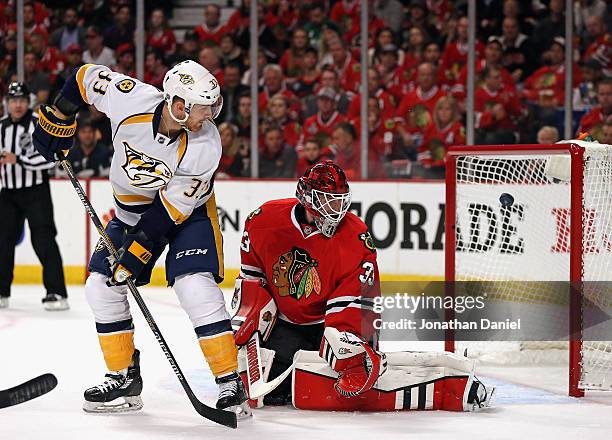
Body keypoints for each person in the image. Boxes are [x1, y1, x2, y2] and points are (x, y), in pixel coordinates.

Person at [32, 60, 248, 415]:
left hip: (187, 216)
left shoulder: (205, 142)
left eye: (213, 106)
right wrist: (62, 114)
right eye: (202, 107)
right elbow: (84, 77)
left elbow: (166, 214)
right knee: (100, 284)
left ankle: (229, 382)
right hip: (131, 215)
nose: (209, 116)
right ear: (178, 104)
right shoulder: (129, 98)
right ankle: (124, 378)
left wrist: (136, 252)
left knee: (194, 284)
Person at [234, 161, 494, 410]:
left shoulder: (355, 236)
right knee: (275, 387)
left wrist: (349, 345)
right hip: (285, 323)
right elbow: (253, 284)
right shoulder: (264, 220)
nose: (336, 209)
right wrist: (246, 322)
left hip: (329, 325)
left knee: (341, 379)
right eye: (328, 200)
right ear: (308, 197)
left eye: (340, 201)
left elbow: (356, 300)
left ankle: (449, 387)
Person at [0, 82, 69, 311]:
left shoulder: (38, 124)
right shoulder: (1, 127)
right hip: (8, 192)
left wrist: (17, 159)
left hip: (36, 191)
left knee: (43, 239)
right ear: (7, 103)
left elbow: (48, 157)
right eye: (13, 100)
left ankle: (56, 292)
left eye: (21, 100)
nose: (17, 105)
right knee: (3, 242)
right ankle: (2, 292)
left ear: (27, 102)